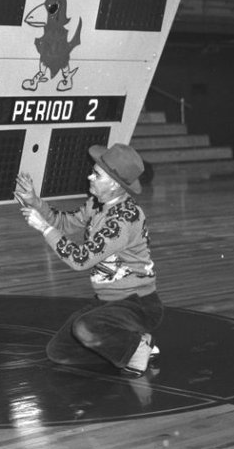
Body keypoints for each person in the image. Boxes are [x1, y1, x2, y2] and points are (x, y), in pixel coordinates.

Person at [15, 142, 162, 377]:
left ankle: (136, 350)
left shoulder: (124, 219)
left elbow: (80, 259)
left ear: (114, 185)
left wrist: (43, 228)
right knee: (58, 351)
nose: (89, 176)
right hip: (108, 303)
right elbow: (64, 222)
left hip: (138, 304)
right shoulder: (97, 204)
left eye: (96, 174)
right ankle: (134, 341)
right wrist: (34, 201)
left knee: (84, 328)